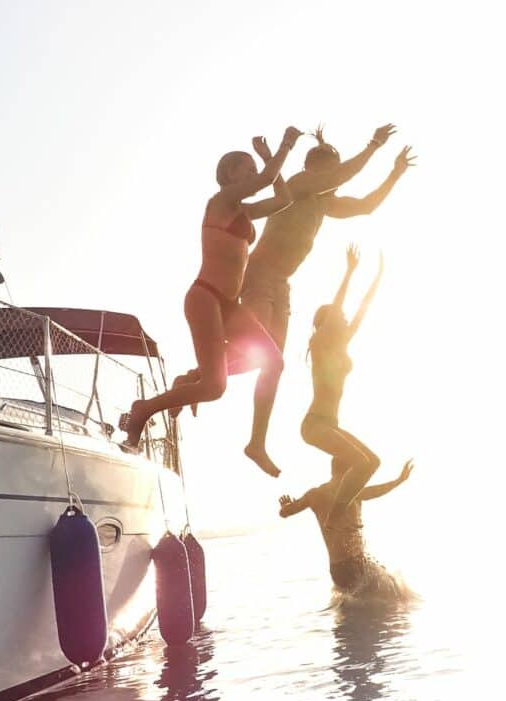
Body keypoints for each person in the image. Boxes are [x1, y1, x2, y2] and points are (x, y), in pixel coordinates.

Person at [239, 125, 416, 476]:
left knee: (270, 363)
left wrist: (394, 173)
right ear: (316, 169)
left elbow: (366, 206)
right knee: (253, 352)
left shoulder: (323, 202)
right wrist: (374, 144)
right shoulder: (301, 184)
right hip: (259, 274)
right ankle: (197, 379)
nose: (337, 181)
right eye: (331, 173)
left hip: (282, 284)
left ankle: (256, 442)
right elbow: (345, 173)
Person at [119, 126, 303, 456]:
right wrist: (285, 146)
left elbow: (285, 200)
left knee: (273, 361)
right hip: (205, 297)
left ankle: (249, 438)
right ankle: (143, 410)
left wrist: (267, 158)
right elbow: (264, 181)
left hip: (230, 305)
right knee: (215, 387)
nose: (254, 172)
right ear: (229, 175)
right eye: (247, 167)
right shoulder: (220, 201)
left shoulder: (243, 211)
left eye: (253, 167)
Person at [301, 243, 384, 516]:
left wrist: (378, 276)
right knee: (361, 463)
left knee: (372, 462)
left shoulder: (341, 344)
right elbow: (338, 308)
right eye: (339, 317)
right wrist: (349, 272)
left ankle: (339, 514)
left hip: (330, 424)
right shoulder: (320, 342)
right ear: (328, 322)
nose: (345, 318)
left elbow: (362, 309)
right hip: (315, 424)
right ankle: (334, 518)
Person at [279, 457, 414, 597]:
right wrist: (399, 480)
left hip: (337, 567)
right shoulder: (354, 491)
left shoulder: (314, 494)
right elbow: (378, 490)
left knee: (350, 611)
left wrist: (285, 507)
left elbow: (284, 513)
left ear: (332, 470)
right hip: (357, 563)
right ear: (351, 471)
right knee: (390, 596)